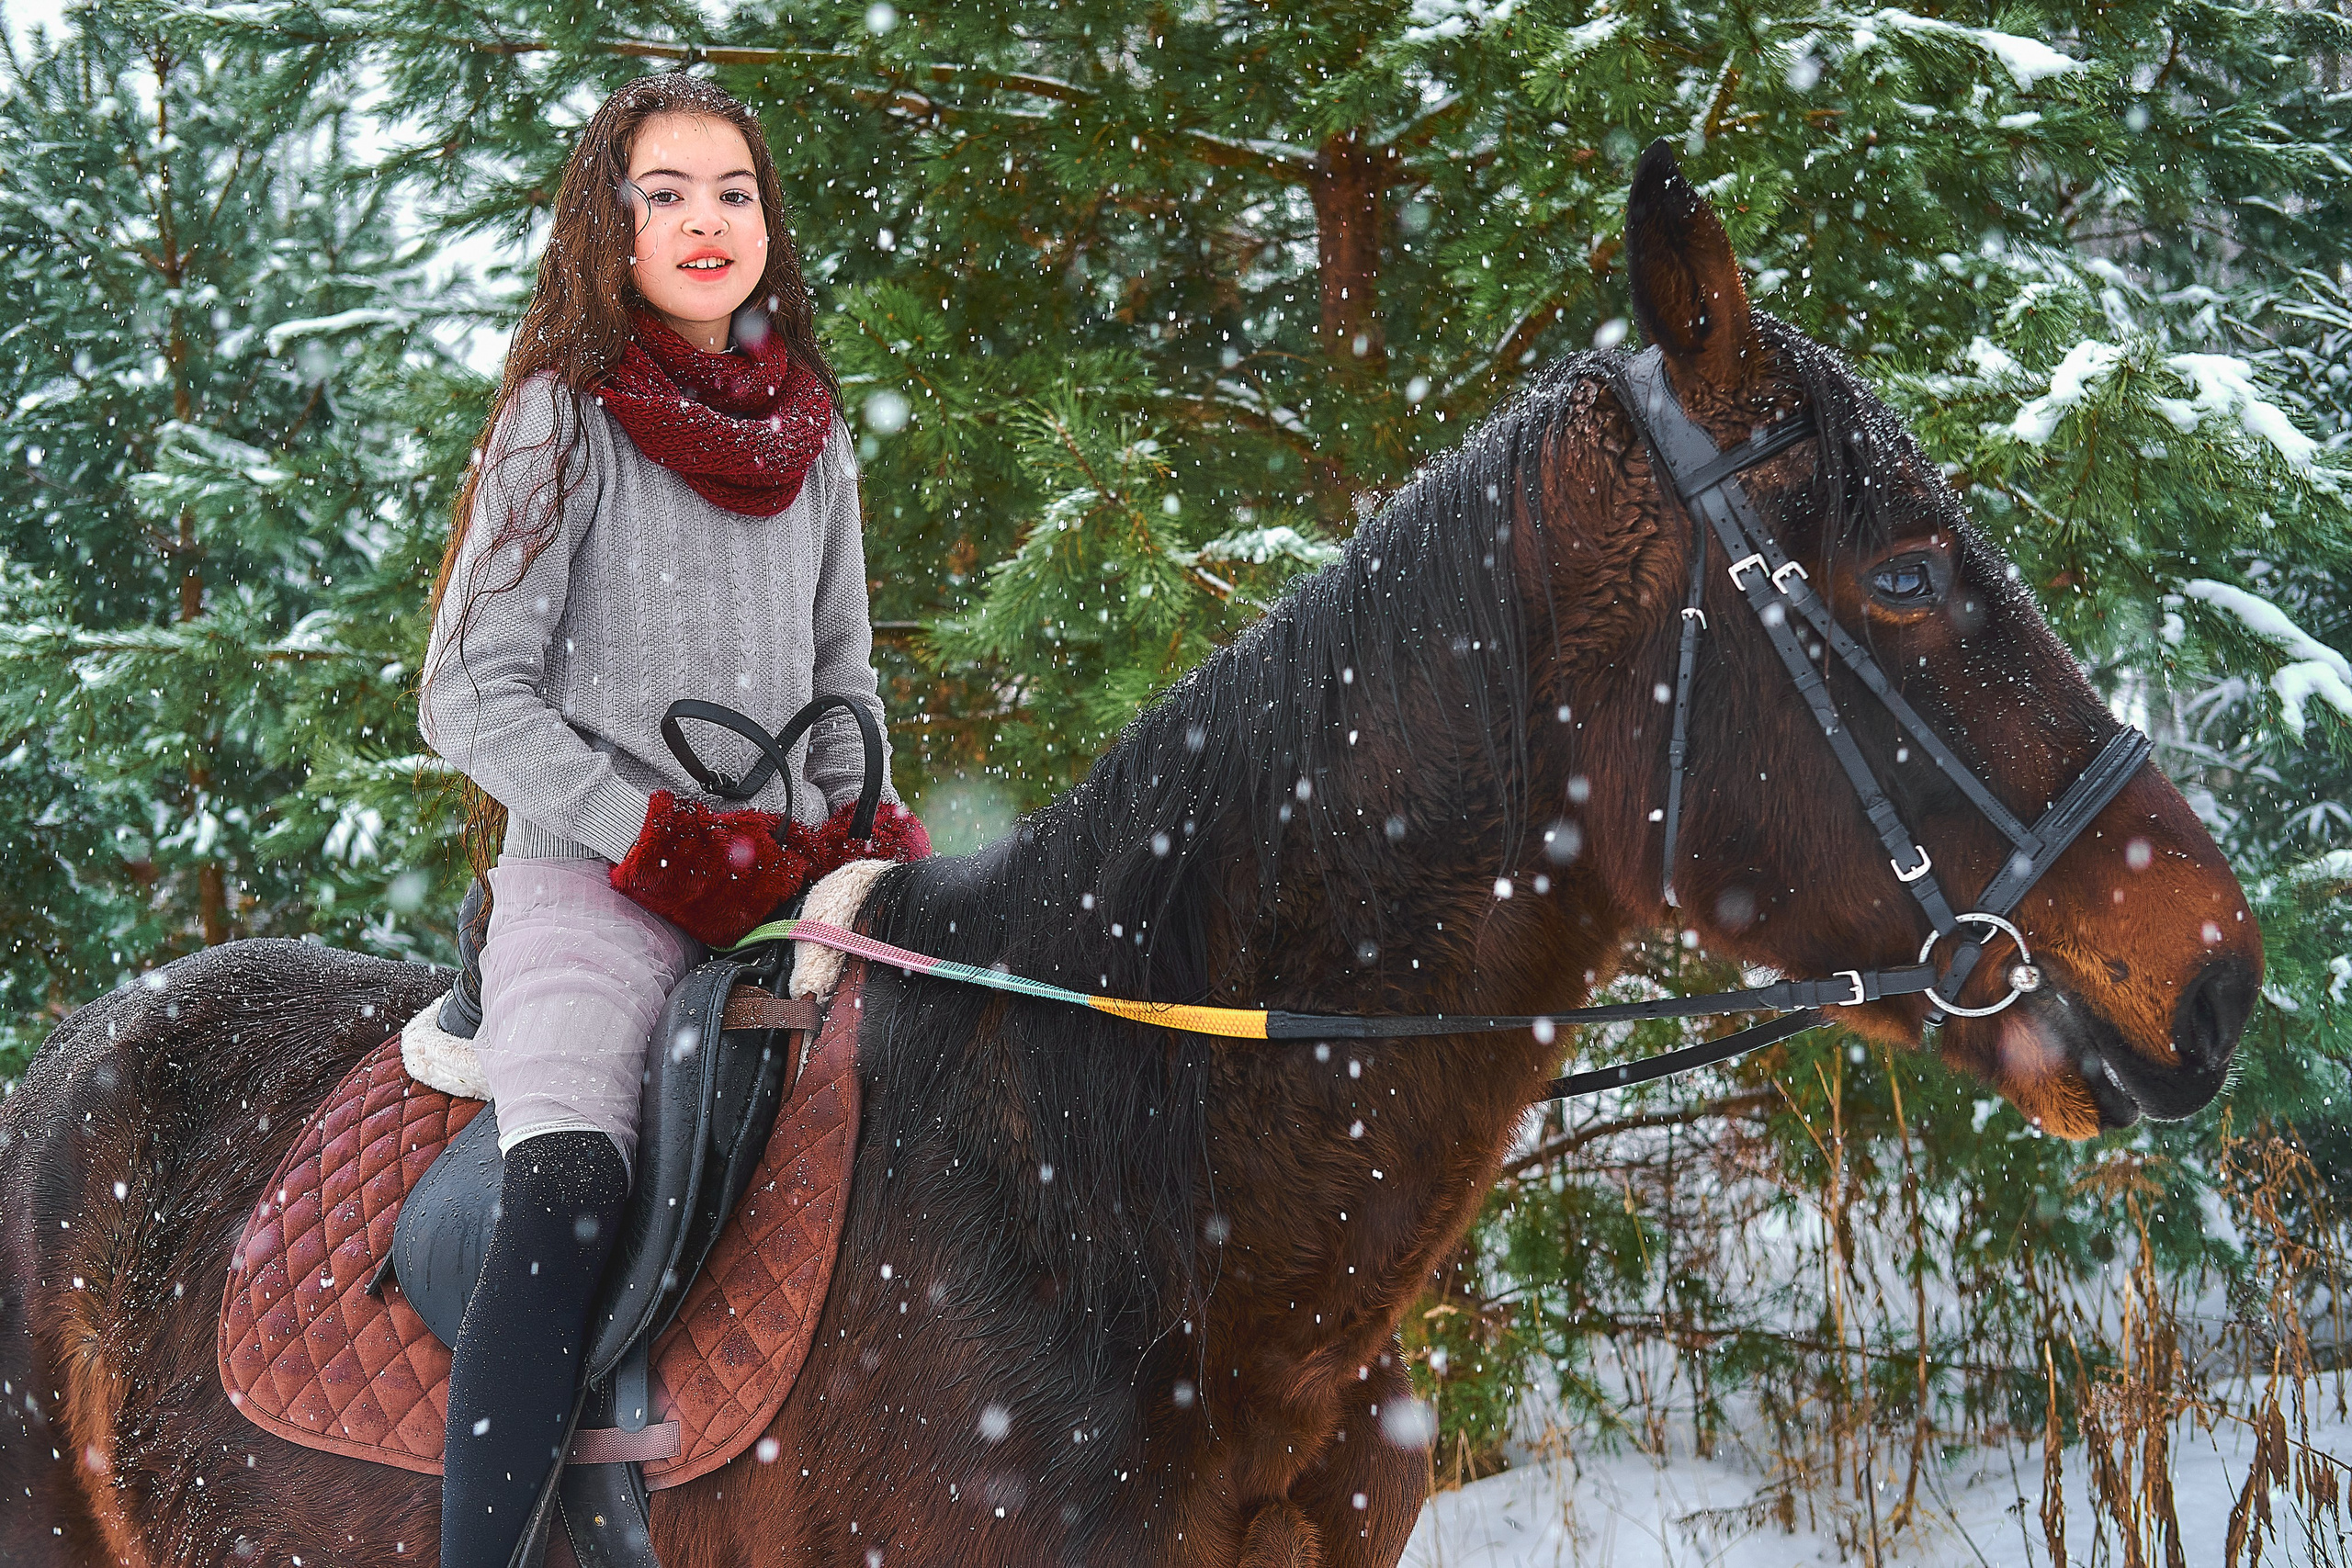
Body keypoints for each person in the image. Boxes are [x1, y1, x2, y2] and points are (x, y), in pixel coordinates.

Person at [417, 72, 925, 1568]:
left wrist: (867, 824)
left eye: (735, 192)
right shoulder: (561, 422)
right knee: (569, 1189)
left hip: (781, 888)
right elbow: (467, 693)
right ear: (611, 226)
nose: (708, 220)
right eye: (667, 193)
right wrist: (646, 833)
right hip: (594, 889)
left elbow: (842, 677)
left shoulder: (814, 432)